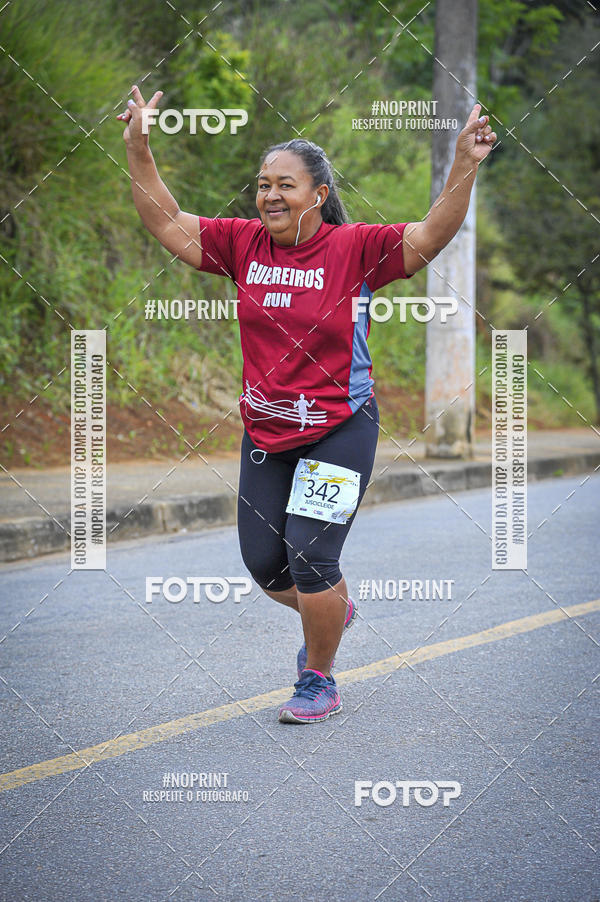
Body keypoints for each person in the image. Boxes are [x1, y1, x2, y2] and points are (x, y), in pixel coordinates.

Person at [118, 85, 496, 724]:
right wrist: (138, 148)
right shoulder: (242, 244)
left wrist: (463, 165)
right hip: (266, 431)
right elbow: (165, 219)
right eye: (263, 184)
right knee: (265, 565)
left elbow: (432, 234)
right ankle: (331, 610)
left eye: (285, 185)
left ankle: (318, 678)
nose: (269, 195)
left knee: (311, 558)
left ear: (318, 196)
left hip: (338, 427)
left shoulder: (356, 250)